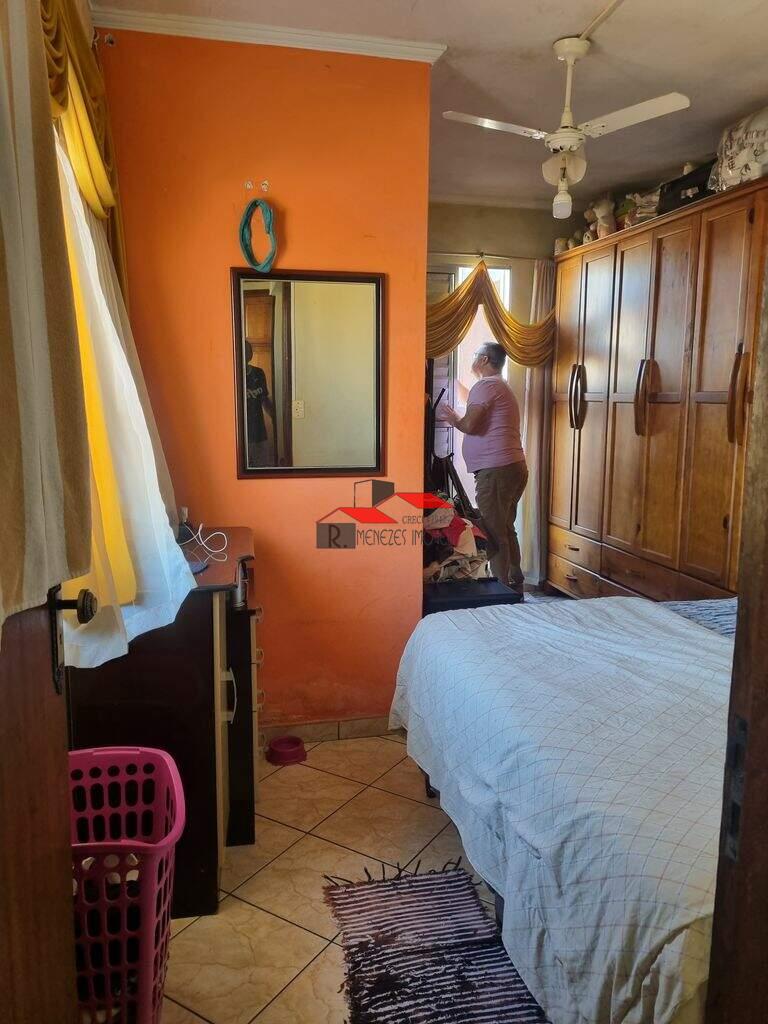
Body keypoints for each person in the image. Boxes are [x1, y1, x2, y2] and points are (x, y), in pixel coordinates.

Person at [438, 341, 528, 595]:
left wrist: (453, 419)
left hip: (496, 470)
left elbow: (470, 425)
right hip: (512, 467)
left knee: (494, 532)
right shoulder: (499, 386)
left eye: (476, 354)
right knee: (505, 527)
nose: (473, 358)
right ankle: (515, 581)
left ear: (485, 359)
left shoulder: (486, 386)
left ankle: (501, 590)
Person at [244, 340, 275, 467]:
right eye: (244, 350)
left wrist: (275, 418)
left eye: (248, 350)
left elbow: (264, 399)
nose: (247, 353)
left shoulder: (258, 373)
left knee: (262, 467)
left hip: (259, 433)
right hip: (240, 437)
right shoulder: (232, 375)